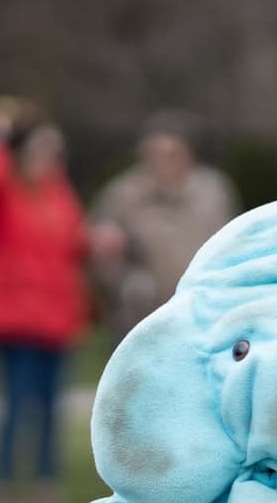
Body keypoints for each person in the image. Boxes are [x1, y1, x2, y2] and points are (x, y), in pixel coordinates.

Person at [0, 97, 89, 503]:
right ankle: (4, 492)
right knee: (17, 407)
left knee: (51, 410)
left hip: (55, 321)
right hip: (14, 322)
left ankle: (44, 491)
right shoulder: (2, 195)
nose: (47, 160)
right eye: (39, 150)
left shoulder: (58, 195)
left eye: (54, 153)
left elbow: (73, 245)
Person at [86, 109, 238, 340]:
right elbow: (99, 252)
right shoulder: (123, 195)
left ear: (189, 155)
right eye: (155, 154)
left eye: (172, 154)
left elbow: (232, 245)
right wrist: (124, 283)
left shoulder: (212, 192)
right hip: (143, 321)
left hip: (203, 314)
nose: (163, 162)